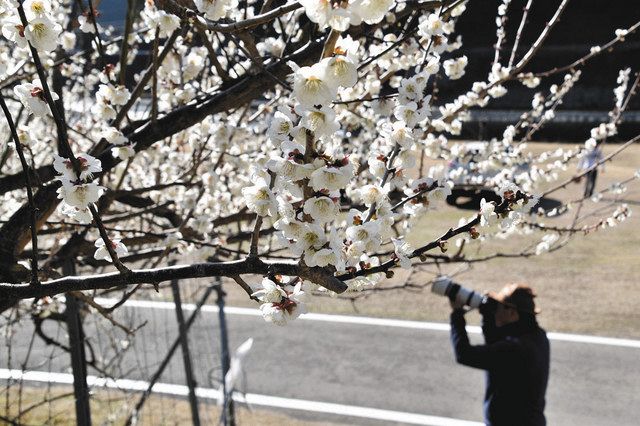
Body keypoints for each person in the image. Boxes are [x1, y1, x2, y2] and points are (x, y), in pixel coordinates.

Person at [449, 284, 550, 426]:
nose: (496, 310)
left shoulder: (514, 350)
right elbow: (496, 342)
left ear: (512, 313)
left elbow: (464, 354)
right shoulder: (538, 336)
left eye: (499, 307)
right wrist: (487, 314)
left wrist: (457, 314)